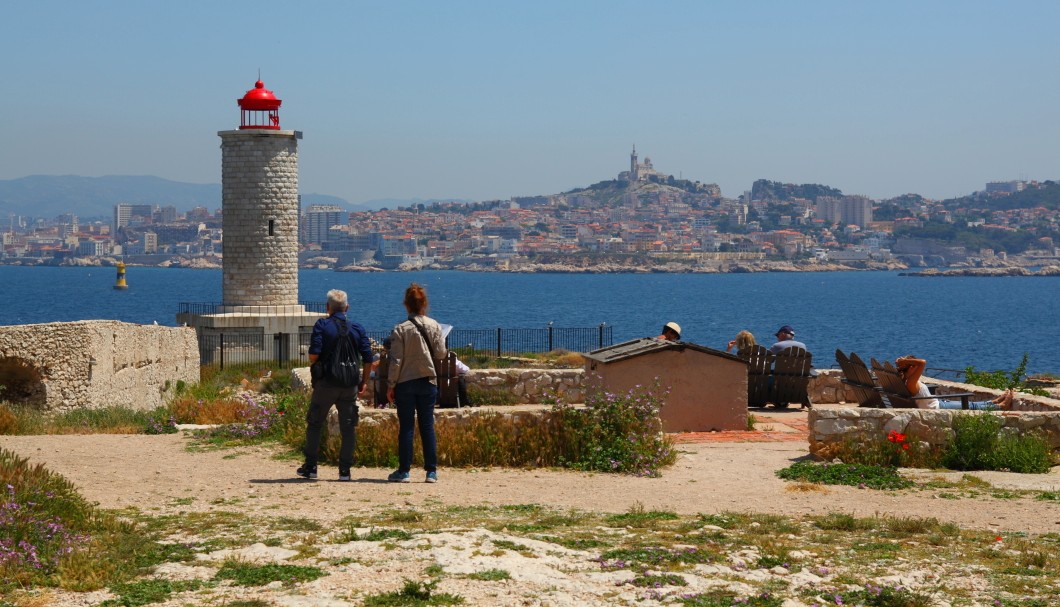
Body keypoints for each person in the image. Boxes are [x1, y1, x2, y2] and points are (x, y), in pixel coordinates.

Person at [298, 289, 377, 481]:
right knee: (348, 427)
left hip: (326, 383)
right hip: (349, 384)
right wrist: (363, 382)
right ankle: (344, 471)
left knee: (315, 423)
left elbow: (314, 355)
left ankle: (311, 467)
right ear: (347, 307)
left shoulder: (322, 325)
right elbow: (369, 359)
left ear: (328, 308)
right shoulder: (357, 328)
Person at [387, 283, 447, 483]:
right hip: (428, 380)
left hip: (405, 382)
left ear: (406, 305)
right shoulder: (434, 325)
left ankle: (404, 471)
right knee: (427, 425)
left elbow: (396, 360)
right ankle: (431, 471)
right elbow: (440, 354)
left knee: (406, 427)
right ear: (424, 304)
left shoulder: (400, 329)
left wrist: (391, 384)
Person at [895, 356, 1015, 410]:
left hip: (936, 403)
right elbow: (922, 362)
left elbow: (920, 363)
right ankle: (1000, 407)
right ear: (911, 368)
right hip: (936, 407)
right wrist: (905, 361)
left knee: (973, 403)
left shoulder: (907, 381)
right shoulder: (911, 382)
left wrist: (904, 362)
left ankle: (993, 402)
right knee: (971, 405)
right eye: (914, 367)